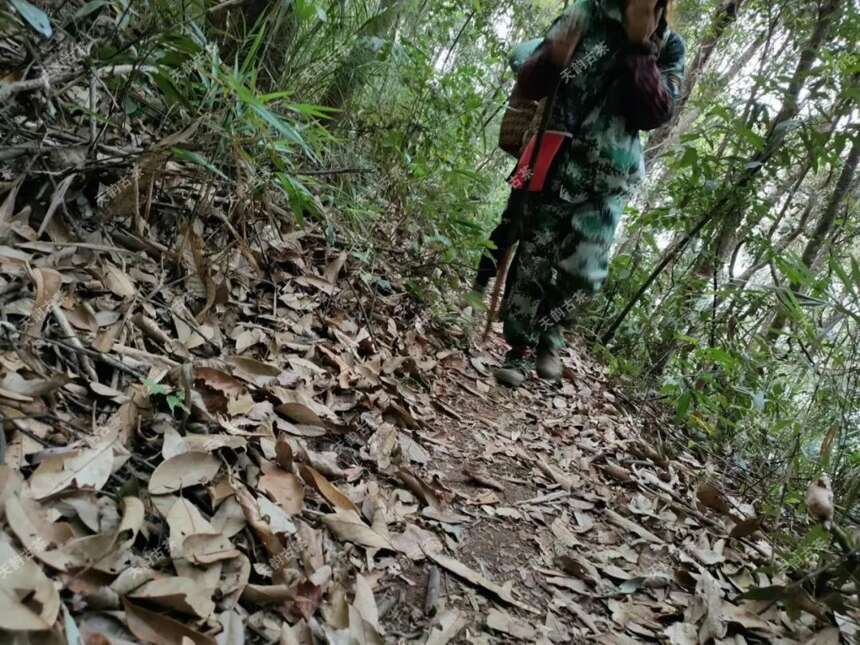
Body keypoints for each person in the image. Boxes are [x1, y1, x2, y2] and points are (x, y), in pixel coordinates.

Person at [493, 0, 685, 387]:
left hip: (608, 178)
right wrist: (552, 59)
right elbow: (530, 85)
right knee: (532, 260)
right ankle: (519, 350)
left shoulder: (668, 45)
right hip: (553, 161)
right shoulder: (584, 14)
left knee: (583, 272)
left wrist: (638, 47)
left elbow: (656, 113)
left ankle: (551, 336)